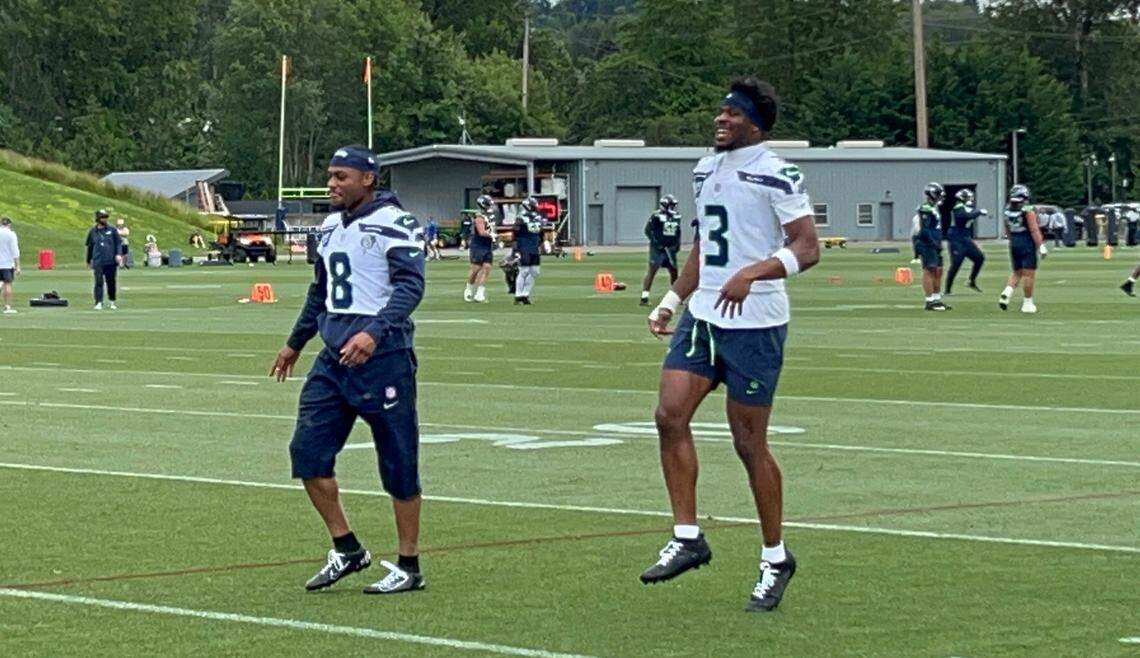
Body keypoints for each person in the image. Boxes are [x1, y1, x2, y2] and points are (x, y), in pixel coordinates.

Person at [643, 78, 820, 613]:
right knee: (669, 415)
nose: (720, 119)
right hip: (704, 317)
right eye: (719, 111)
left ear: (755, 123)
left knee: (748, 444)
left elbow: (807, 247)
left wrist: (757, 272)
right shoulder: (705, 168)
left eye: (731, 113)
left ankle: (774, 556)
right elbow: (703, 245)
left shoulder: (778, 171)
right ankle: (689, 536)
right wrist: (673, 299)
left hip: (756, 323)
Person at [269, 145, 427, 595]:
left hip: (384, 357)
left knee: (398, 462)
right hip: (334, 357)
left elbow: (411, 286)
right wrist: (295, 342)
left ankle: (409, 564)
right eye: (331, 176)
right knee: (308, 454)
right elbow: (320, 293)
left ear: (367, 179)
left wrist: (376, 332)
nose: (332, 184)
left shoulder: (397, 223)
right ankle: (347, 547)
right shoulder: (330, 226)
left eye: (341, 176)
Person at [998, 184, 1047, 313]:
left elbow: (1007, 229)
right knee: (1028, 273)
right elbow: (1033, 229)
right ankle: (1027, 303)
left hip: (1014, 240)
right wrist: (1040, 245)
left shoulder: (1007, 209)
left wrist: (1012, 239)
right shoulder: (1027, 210)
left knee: (1017, 271)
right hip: (1026, 241)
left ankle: (1007, 292)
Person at [913, 183, 950, 311]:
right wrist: (933, 242)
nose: (940, 197)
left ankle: (936, 298)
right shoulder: (925, 209)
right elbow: (925, 229)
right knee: (929, 270)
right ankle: (929, 301)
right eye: (938, 194)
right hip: (928, 244)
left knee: (938, 270)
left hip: (935, 243)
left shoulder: (934, 208)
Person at [641, 195, 682, 306]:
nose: (673, 208)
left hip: (670, 248)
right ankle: (644, 297)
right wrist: (656, 243)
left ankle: (676, 297)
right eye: (671, 205)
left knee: (674, 272)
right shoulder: (656, 216)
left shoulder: (676, 216)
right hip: (658, 249)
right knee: (652, 270)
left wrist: (677, 245)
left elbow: (678, 232)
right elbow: (648, 230)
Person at [944, 189, 986, 295]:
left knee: (979, 258)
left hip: (965, 238)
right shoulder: (958, 207)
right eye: (968, 197)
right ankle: (947, 289)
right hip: (956, 238)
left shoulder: (967, 207)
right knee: (956, 263)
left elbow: (969, 214)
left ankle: (971, 281)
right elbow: (965, 216)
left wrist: (976, 212)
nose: (970, 200)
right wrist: (979, 212)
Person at [85, 209, 122, 310]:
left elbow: (118, 243)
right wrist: (88, 260)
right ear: (98, 219)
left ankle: (112, 301)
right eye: (103, 217)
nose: (105, 219)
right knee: (98, 282)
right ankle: (98, 302)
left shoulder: (112, 230)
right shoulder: (93, 232)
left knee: (111, 282)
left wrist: (118, 254)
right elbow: (90, 247)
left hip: (110, 261)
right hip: (98, 261)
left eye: (106, 217)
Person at [464, 195, 496, 303]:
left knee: (487, 268)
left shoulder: (490, 216)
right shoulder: (479, 217)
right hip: (478, 244)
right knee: (476, 269)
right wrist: (493, 235)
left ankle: (480, 293)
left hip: (487, 244)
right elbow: (482, 232)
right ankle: (469, 288)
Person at [512, 197, 544, 305]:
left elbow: (540, 233)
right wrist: (515, 250)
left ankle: (525, 294)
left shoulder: (538, 217)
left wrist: (542, 244)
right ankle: (518, 295)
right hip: (524, 246)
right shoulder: (521, 218)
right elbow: (515, 234)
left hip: (534, 246)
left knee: (535, 271)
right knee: (524, 271)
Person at [0, 217, 19, 314]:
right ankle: (7, 307)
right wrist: (17, 265)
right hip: (7, 264)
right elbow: (15, 251)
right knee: (7, 284)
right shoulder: (11, 234)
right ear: (9, 224)